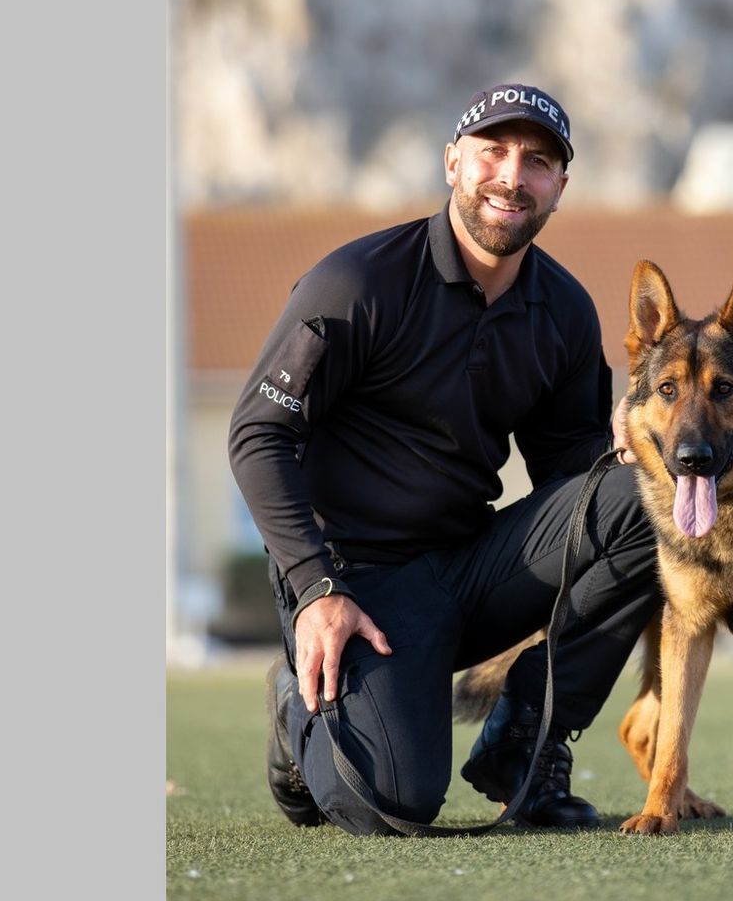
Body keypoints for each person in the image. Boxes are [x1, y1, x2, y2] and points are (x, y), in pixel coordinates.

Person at [229, 83, 659, 835]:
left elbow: (578, 481)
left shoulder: (561, 310)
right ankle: (298, 703)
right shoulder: (359, 283)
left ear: (560, 185)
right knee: (392, 803)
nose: (512, 175)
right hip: (354, 583)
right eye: (493, 152)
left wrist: (631, 439)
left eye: (537, 161)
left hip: (469, 567)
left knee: (647, 496)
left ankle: (526, 742)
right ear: (454, 165)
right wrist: (315, 587)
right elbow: (258, 435)